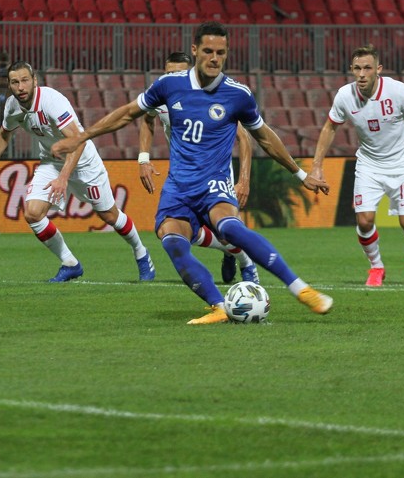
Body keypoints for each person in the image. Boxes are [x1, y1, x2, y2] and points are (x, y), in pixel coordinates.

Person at [52, 22, 333, 324]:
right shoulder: (169, 85)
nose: (215, 58)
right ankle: (219, 307)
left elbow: (263, 137)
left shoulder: (237, 94)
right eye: (209, 51)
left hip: (214, 182)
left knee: (230, 228)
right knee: (172, 241)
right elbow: (130, 113)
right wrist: (82, 137)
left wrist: (301, 175)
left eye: (221, 53)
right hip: (178, 187)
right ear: (195, 50)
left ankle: (300, 288)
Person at [0, 61, 156, 283]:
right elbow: (3, 134)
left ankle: (141, 252)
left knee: (109, 215)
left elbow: (78, 141)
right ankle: (70, 263)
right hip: (51, 161)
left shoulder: (51, 101)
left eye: (25, 80)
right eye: (15, 82)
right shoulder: (12, 106)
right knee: (33, 213)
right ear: (9, 85)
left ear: (34, 80)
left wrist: (63, 178)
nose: (20, 87)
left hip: (84, 163)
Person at [308, 44, 404, 288]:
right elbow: (330, 127)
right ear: (351, 69)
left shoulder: (397, 91)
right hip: (369, 166)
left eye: (367, 68)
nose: (361, 74)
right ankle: (376, 266)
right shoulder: (344, 96)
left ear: (378, 69)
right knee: (364, 221)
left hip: (402, 165)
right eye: (357, 68)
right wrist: (317, 166)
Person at [137, 51, 258, 285]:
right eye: (168, 73)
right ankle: (233, 253)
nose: (172, 77)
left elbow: (244, 138)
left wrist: (244, 180)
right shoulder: (163, 94)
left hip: (217, 171)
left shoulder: (212, 98)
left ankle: (245, 261)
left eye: (177, 73)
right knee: (174, 229)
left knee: (228, 231)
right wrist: (143, 159)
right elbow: (147, 119)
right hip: (184, 172)